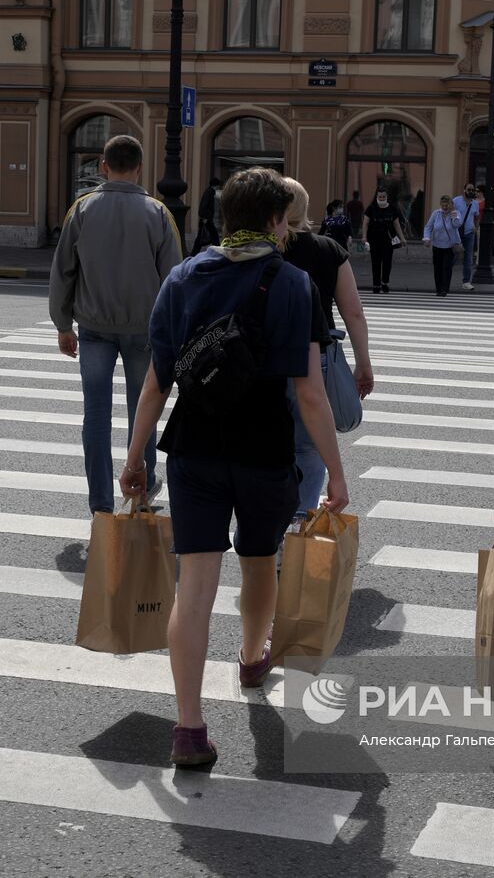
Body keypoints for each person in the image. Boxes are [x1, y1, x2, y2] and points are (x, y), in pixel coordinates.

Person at [119, 168, 350, 767]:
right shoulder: (293, 282)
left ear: (224, 218)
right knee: (257, 561)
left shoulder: (183, 277)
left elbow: (155, 383)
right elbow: (309, 394)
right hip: (264, 446)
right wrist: (338, 472)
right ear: (276, 221)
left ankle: (189, 729)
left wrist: (135, 456)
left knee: (194, 587)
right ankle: (252, 657)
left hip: (193, 447)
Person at [49, 134, 183, 514]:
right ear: (140, 167)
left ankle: (100, 505)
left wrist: (63, 324)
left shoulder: (83, 209)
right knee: (144, 410)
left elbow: (63, 271)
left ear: (103, 166)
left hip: (94, 329)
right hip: (145, 331)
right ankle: (140, 492)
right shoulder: (158, 213)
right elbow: (175, 279)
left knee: (96, 415)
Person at [279, 177, 374, 517]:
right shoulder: (327, 249)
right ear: (305, 208)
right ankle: (299, 523)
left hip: (266, 360)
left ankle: (269, 530)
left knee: (269, 444)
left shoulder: (262, 248)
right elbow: (354, 313)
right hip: (316, 358)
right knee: (309, 445)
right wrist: (363, 364)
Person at [362, 188, 404, 294]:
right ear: (377, 197)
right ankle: (376, 285)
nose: (381, 198)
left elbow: (396, 224)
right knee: (375, 263)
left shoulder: (392, 209)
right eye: (380, 197)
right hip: (374, 241)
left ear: (386, 197)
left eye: (383, 197)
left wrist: (402, 238)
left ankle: (385, 282)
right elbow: (365, 223)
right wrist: (364, 237)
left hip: (388, 242)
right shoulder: (371, 209)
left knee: (387, 263)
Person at [424, 194, 465, 297]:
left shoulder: (456, 213)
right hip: (437, 245)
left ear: (451, 205)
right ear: (441, 205)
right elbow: (428, 227)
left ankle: (444, 289)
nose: (445, 208)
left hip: (450, 246)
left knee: (446, 267)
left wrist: (454, 215)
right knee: (437, 268)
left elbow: (457, 225)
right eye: (443, 205)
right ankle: (438, 288)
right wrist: (427, 238)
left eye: (447, 205)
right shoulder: (436, 214)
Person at [455, 184, 482, 289]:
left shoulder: (475, 204)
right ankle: (445, 276)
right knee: (453, 255)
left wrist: (475, 227)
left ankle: (466, 281)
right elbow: (451, 213)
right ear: (464, 190)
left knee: (468, 258)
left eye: (473, 190)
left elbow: (477, 217)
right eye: (469, 189)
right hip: (457, 233)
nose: (471, 191)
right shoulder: (456, 201)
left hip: (469, 233)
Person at [193, 175, 222, 255]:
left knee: (201, 237)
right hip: (206, 219)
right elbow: (204, 206)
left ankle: (194, 253)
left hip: (205, 219)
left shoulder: (209, 192)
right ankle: (219, 252)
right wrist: (205, 217)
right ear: (216, 185)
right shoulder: (209, 193)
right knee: (214, 236)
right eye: (218, 185)